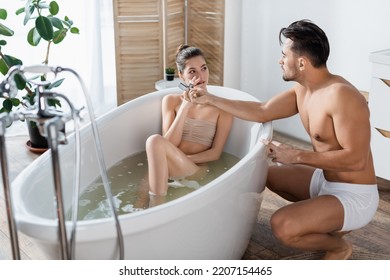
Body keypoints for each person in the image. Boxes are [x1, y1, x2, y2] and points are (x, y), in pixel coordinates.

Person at [188, 19, 379, 260]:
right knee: (266, 172)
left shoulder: (342, 96)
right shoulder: (303, 89)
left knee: (282, 225)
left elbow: (356, 160)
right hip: (325, 181)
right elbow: (262, 110)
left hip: (355, 195)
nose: (280, 60)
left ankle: (337, 246)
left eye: (283, 54)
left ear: (301, 62)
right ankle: (324, 220)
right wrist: (211, 99)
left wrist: (296, 155)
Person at [145, 44, 233, 206]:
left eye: (204, 68)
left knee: (154, 141)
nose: (200, 75)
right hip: (171, 165)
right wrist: (185, 106)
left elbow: (215, 153)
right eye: (192, 71)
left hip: (196, 170)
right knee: (142, 190)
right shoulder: (171, 101)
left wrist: (181, 159)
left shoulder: (222, 107)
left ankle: (155, 209)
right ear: (181, 75)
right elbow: (169, 144)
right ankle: (138, 215)